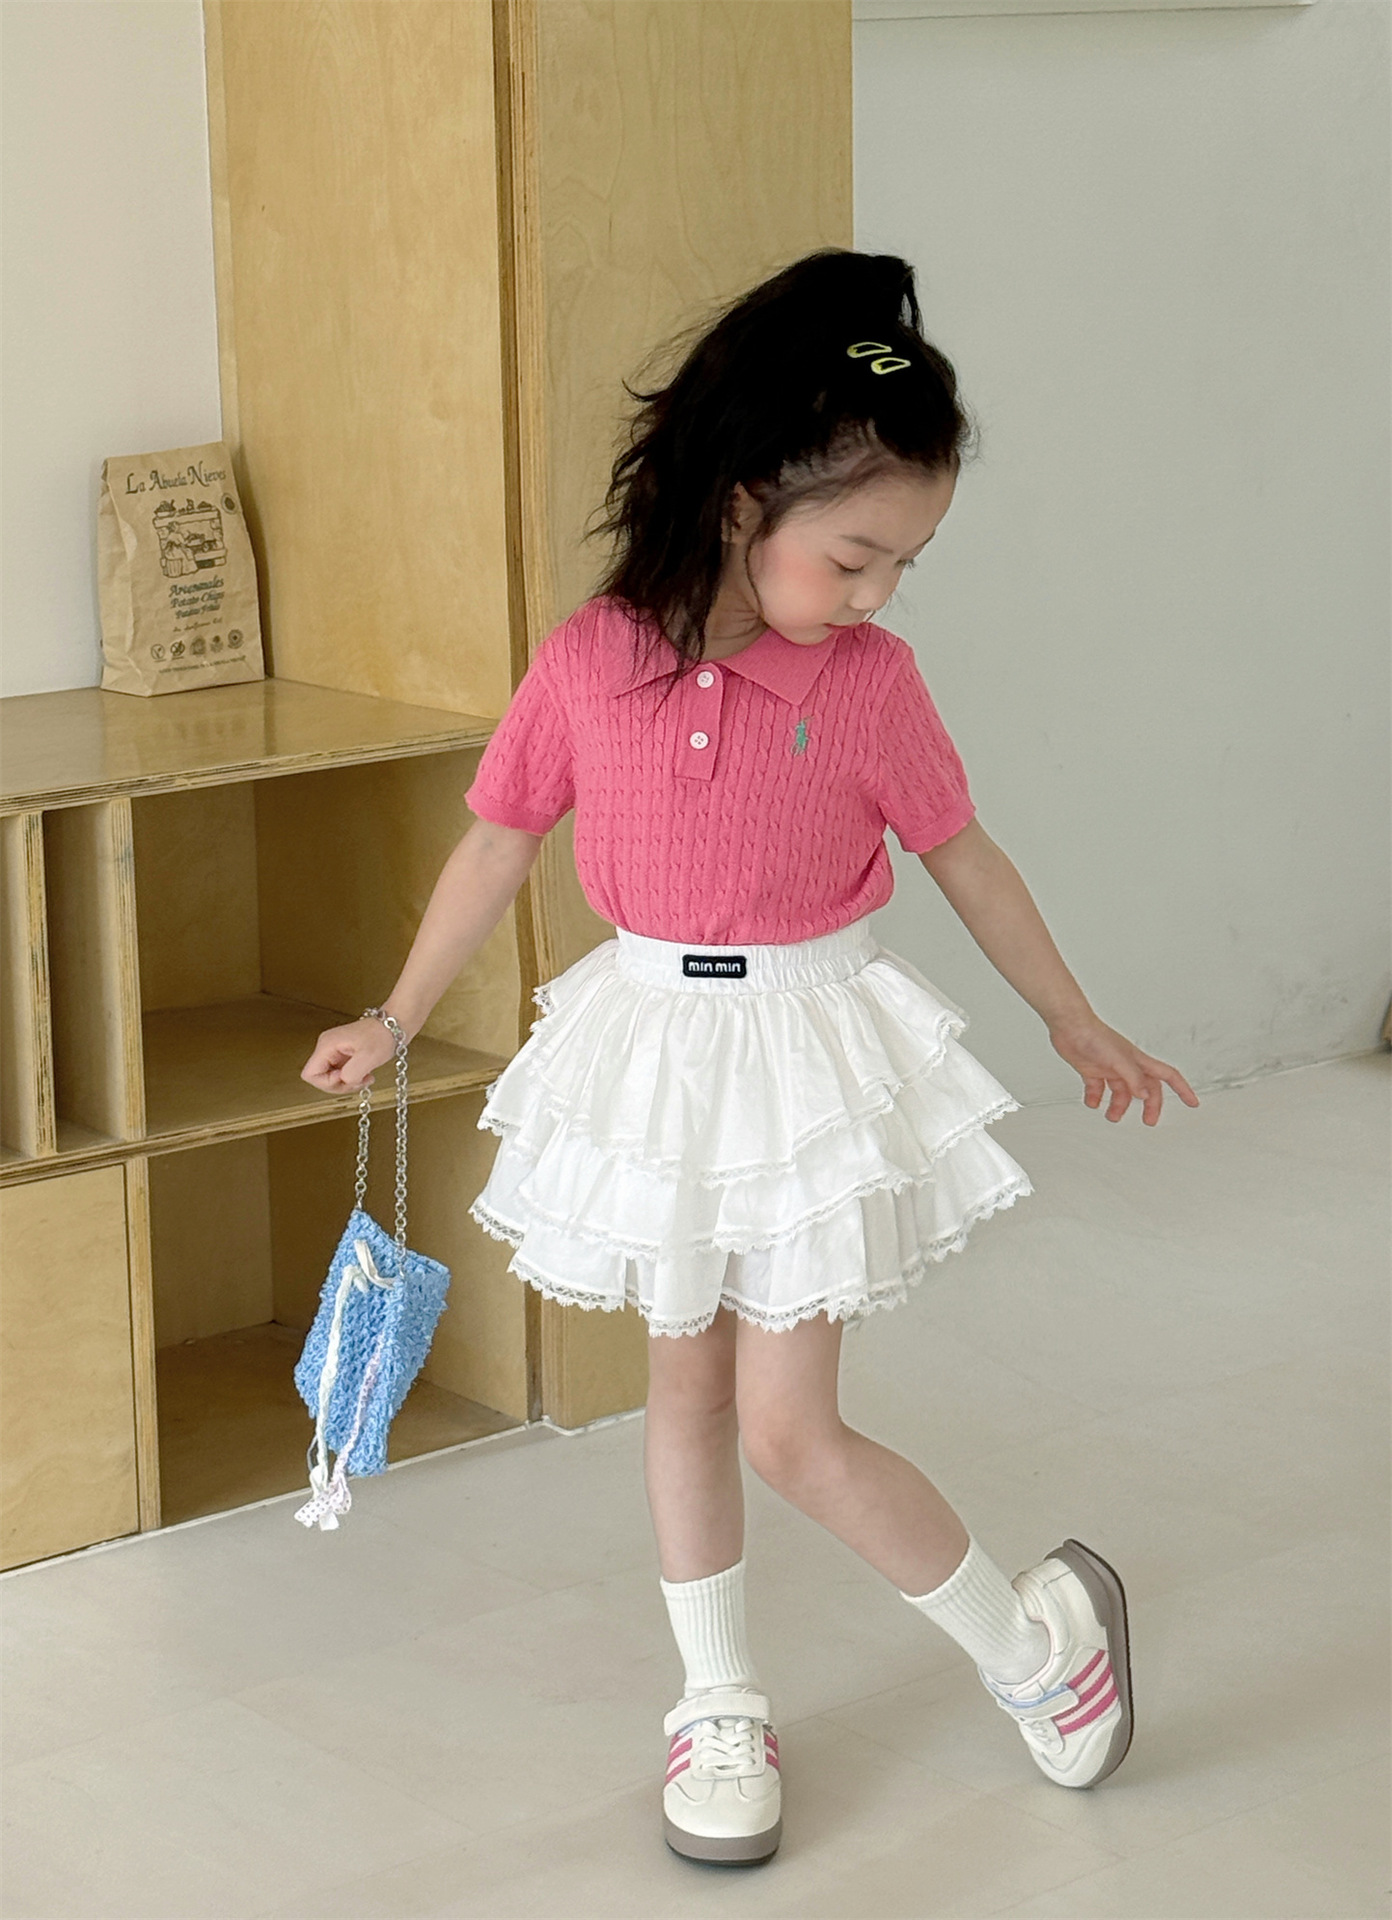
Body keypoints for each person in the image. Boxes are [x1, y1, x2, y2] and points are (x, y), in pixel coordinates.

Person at [300, 248, 1200, 1868]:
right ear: (741, 504)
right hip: (654, 1048)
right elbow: (499, 841)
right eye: (855, 557)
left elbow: (963, 854)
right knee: (685, 1392)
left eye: (903, 565)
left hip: (803, 1051)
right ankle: (716, 1701)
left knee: (789, 1428)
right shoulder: (590, 658)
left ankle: (1033, 1647)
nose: (877, 597)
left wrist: (1069, 1015)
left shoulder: (873, 687)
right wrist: (396, 1015)